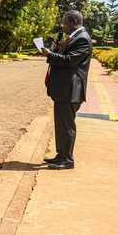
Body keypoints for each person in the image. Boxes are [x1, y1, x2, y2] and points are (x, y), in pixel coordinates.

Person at [41, 10, 92, 170]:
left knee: (67, 126)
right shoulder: (74, 38)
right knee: (61, 125)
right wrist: (55, 51)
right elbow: (65, 58)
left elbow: (70, 61)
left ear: (74, 22)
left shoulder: (82, 39)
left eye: (65, 23)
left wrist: (49, 55)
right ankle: (61, 155)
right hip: (64, 90)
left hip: (70, 91)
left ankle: (67, 160)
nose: (63, 27)